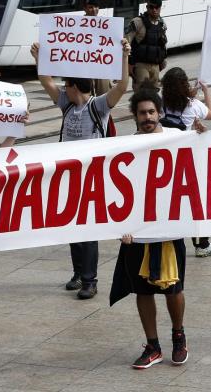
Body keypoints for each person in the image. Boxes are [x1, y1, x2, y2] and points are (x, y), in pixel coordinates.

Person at [110, 87, 205, 369]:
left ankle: (179, 336)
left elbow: (203, 157)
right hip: (137, 233)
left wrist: (203, 133)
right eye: (142, 113)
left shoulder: (177, 138)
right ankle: (152, 346)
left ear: (160, 113)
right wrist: (121, 226)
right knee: (143, 290)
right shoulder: (125, 147)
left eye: (152, 112)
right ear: (135, 116)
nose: (148, 117)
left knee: (174, 289)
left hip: (169, 229)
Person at [30, 36, 131, 300]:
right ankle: (78, 274)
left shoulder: (97, 105)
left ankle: (90, 280)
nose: (62, 89)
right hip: (68, 175)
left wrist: (124, 57)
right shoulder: (67, 104)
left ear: (74, 87)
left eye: (66, 85)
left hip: (91, 177)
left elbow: (122, 86)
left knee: (87, 229)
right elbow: (46, 81)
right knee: (72, 226)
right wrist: (40, 59)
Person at [160, 67, 211, 258]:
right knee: (194, 202)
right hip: (186, 160)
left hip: (163, 157)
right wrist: (206, 91)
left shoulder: (160, 102)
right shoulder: (192, 105)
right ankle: (201, 244)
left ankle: (163, 236)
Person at [127, 0, 168, 92]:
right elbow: (126, 42)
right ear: (147, 7)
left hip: (156, 65)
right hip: (141, 64)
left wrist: (163, 60)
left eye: (157, 8)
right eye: (151, 7)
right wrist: (129, 63)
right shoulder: (137, 22)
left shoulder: (162, 24)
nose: (154, 10)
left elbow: (163, 44)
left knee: (154, 95)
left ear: (160, 8)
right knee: (142, 93)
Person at [81, 0, 114, 96]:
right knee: (85, 94)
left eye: (96, 7)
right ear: (85, 8)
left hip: (101, 64)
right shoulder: (77, 24)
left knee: (104, 93)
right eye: (90, 7)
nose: (94, 10)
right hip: (84, 65)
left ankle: (104, 112)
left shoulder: (105, 24)